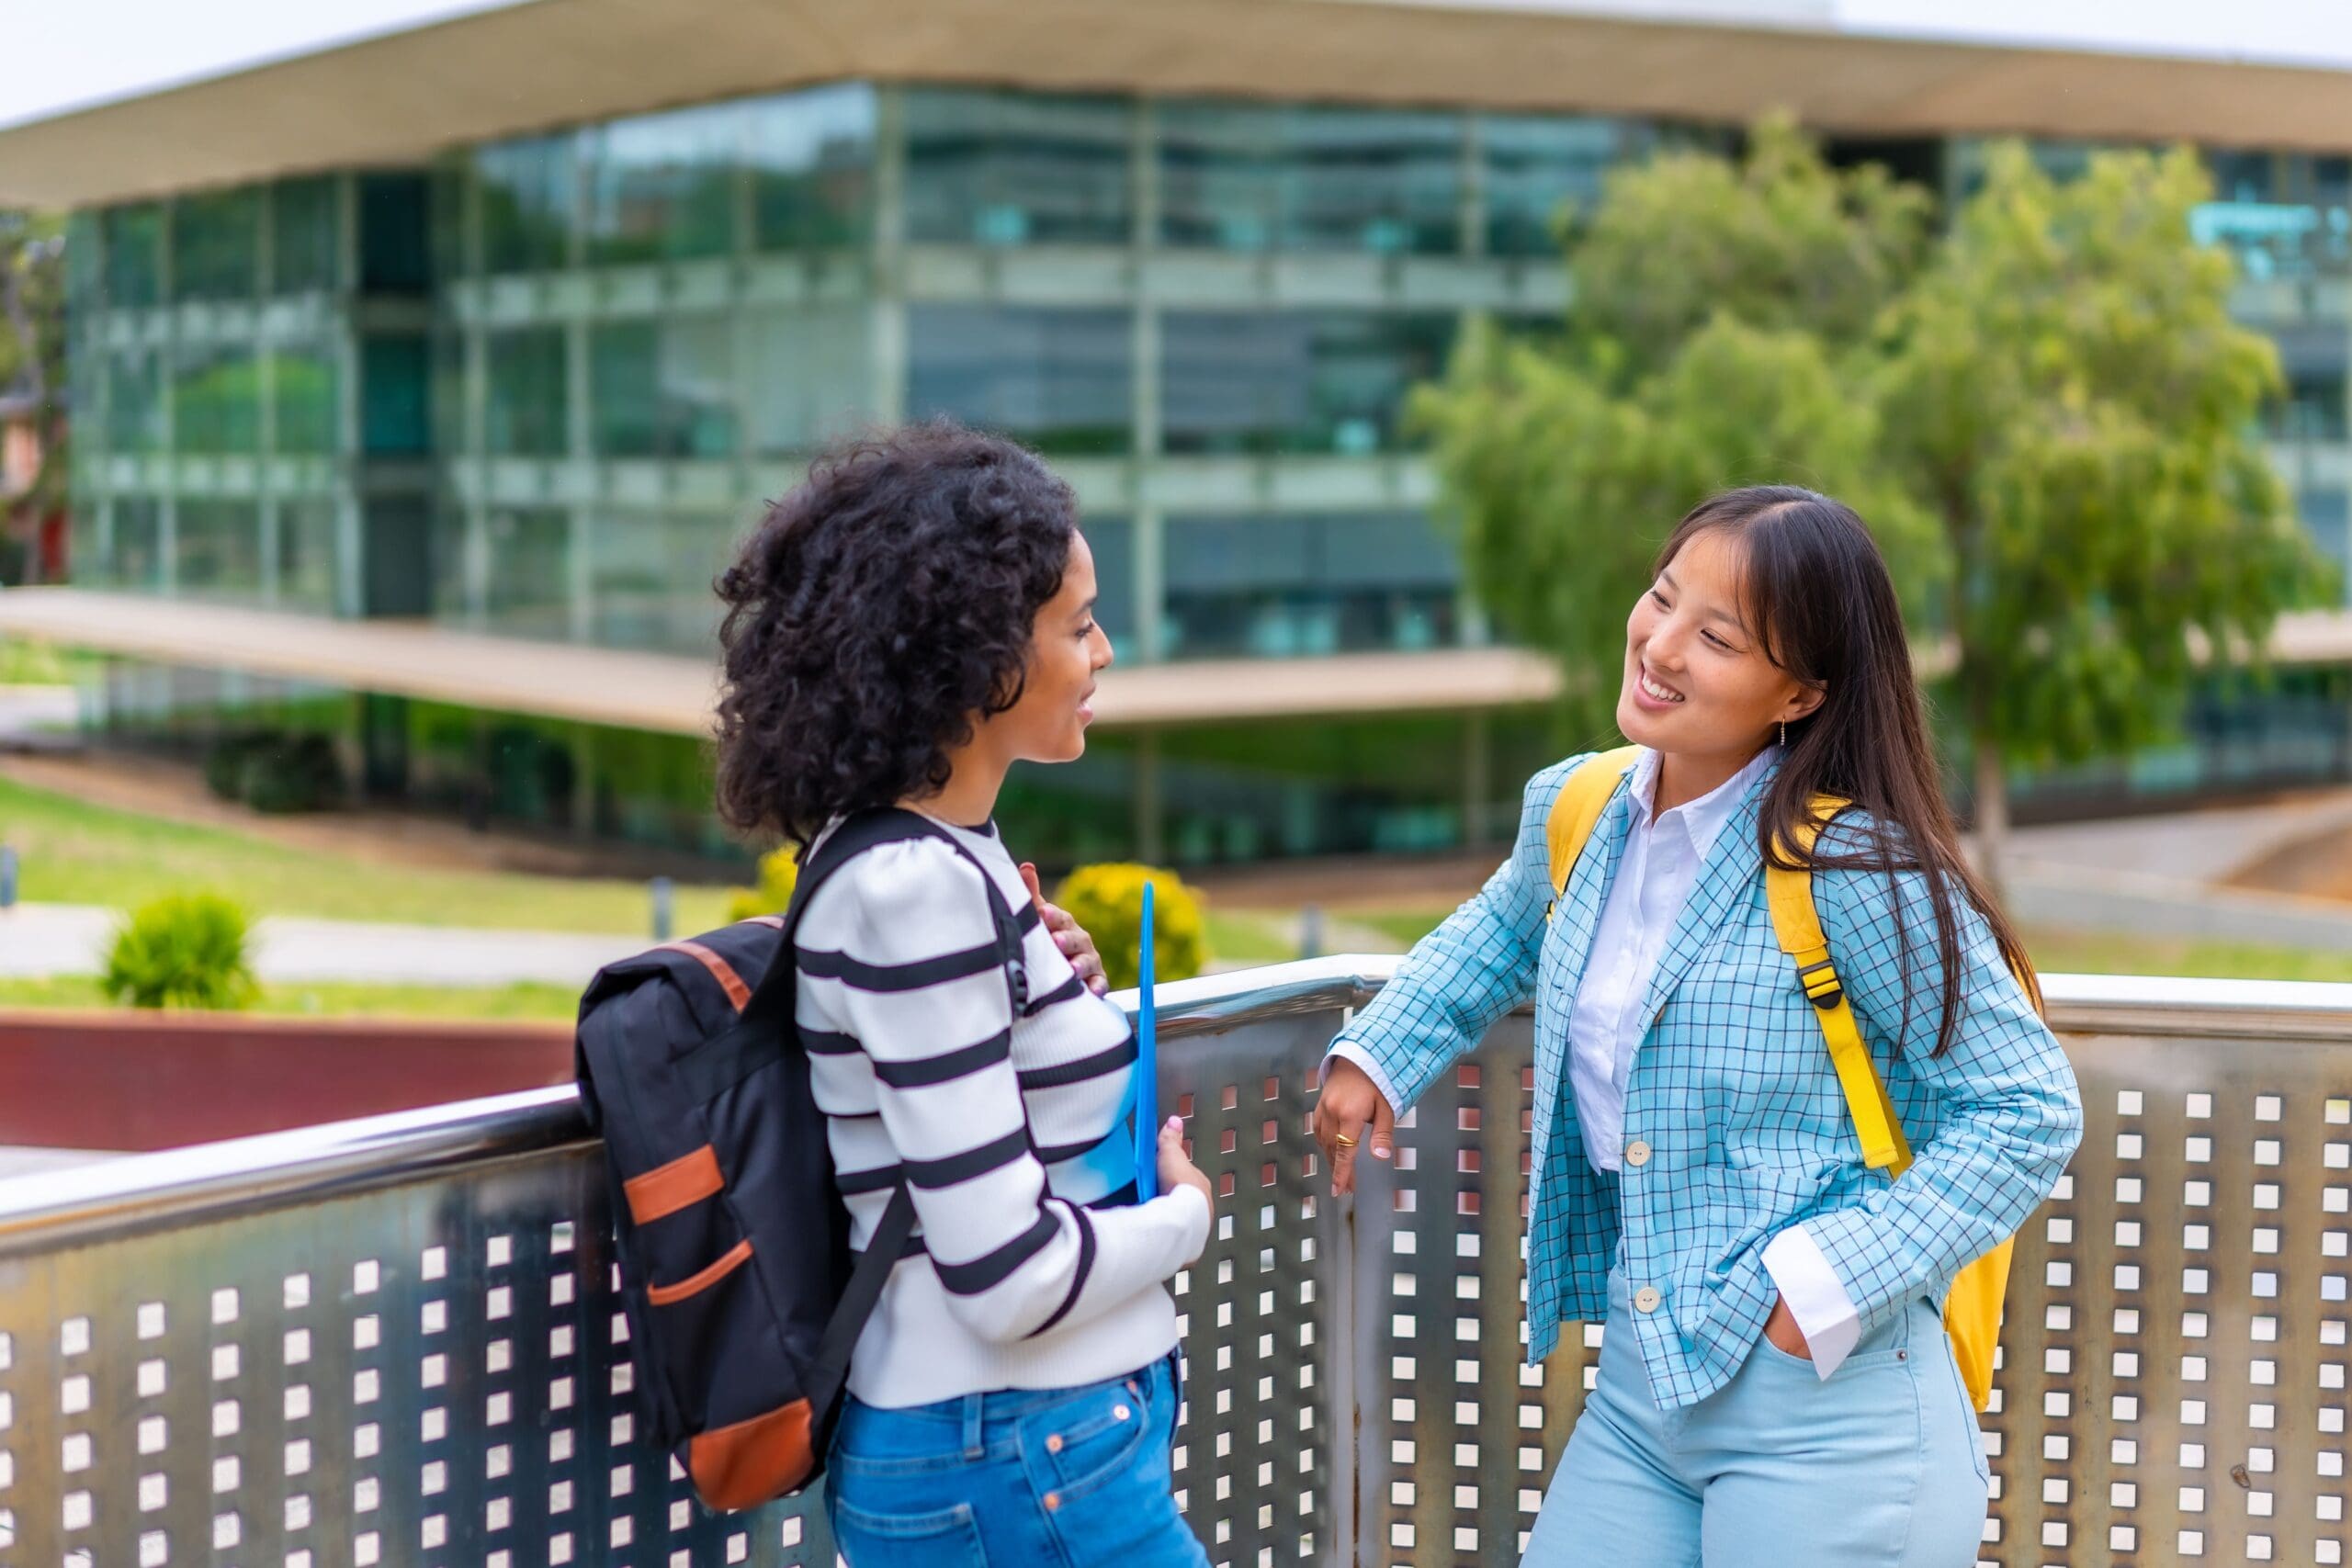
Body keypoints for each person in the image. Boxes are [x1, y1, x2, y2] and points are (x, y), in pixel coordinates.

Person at [1313, 485, 2083, 1566]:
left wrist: (1816, 1286)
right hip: (1641, 1394)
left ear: (1799, 692)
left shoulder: (1856, 871)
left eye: (1715, 636)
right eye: (1662, 598)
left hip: (1832, 1410)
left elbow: (2026, 1108)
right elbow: (1498, 932)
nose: (1660, 645)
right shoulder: (1577, 807)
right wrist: (1378, 1055)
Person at [713, 421, 1214, 1568]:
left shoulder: (941, 856)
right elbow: (1003, 1274)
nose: (1105, 654)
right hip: (1008, 1453)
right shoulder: (912, 888)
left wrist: (1053, 989)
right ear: (980, 658)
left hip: (1023, 1451)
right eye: (1079, 627)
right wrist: (1181, 1219)